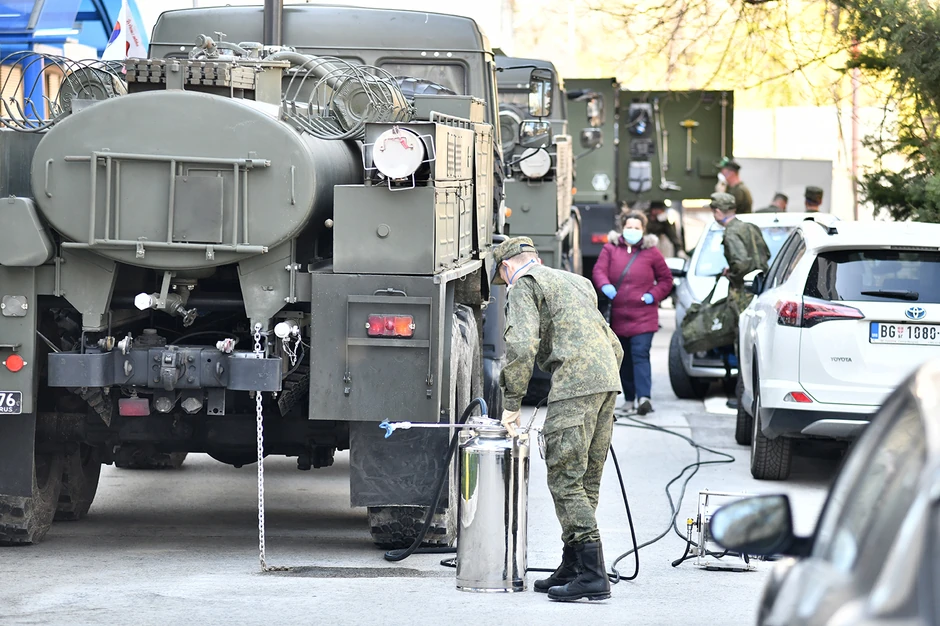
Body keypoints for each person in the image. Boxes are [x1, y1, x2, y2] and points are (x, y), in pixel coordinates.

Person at [493, 236, 623, 602]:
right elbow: (613, 343)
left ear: (507, 267)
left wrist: (511, 403)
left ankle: (593, 574)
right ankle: (574, 564)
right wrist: (603, 384)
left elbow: (521, 345)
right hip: (607, 382)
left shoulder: (524, 284)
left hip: (575, 386)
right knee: (586, 480)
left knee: (565, 478)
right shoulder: (576, 282)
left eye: (502, 278)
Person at [592, 212, 673, 417]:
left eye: (637, 228)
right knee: (624, 359)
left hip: (644, 316)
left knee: (640, 354)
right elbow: (599, 271)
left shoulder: (652, 252)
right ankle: (629, 399)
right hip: (618, 316)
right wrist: (605, 286)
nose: (633, 231)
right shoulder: (610, 249)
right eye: (629, 227)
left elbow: (666, 279)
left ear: (643, 230)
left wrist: (652, 295)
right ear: (623, 228)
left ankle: (644, 398)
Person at [710, 192, 770, 408]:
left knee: (742, 345)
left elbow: (741, 263)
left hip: (742, 293)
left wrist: (733, 275)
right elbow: (765, 254)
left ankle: (742, 395)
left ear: (718, 212)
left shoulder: (731, 233)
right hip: (760, 288)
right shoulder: (749, 227)